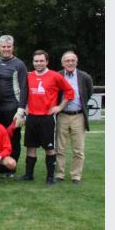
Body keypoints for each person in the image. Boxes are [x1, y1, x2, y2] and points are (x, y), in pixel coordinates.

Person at [21, 50, 75, 185]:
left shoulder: (55, 76)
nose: (38, 63)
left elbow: (70, 91)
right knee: (31, 147)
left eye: (41, 61)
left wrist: (59, 107)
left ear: (47, 62)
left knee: (49, 148)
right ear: (33, 62)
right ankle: (29, 175)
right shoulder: (29, 76)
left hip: (47, 118)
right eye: (36, 61)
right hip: (32, 117)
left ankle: (50, 177)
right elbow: (25, 94)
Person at [55, 51, 94, 184]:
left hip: (78, 115)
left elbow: (88, 93)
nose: (70, 63)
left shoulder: (84, 77)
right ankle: (59, 174)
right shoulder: (57, 75)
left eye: (73, 60)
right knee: (60, 148)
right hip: (62, 115)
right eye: (67, 60)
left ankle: (76, 176)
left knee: (78, 149)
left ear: (76, 62)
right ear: (62, 63)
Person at [0, 35, 28, 171]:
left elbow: (24, 87)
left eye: (9, 47)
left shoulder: (19, 64)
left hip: (13, 107)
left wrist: (21, 108)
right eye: (3, 47)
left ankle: (12, 167)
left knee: (13, 137)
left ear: (12, 47)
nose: (6, 49)